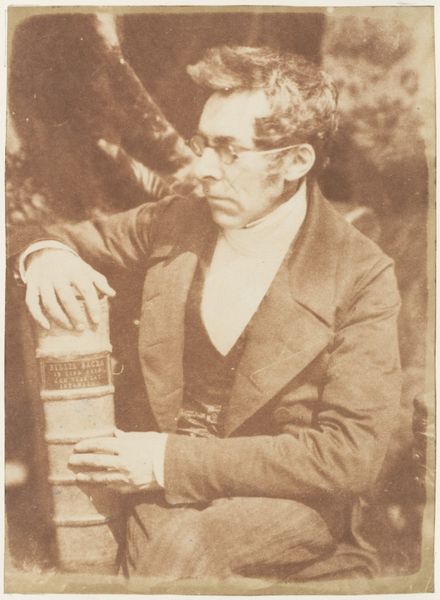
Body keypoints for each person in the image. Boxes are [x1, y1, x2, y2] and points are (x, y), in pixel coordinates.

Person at [20, 46, 401, 581]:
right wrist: (46, 257)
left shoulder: (359, 273)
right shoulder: (175, 223)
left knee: (179, 551)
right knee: (155, 551)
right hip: (159, 491)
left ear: (295, 162)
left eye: (228, 151)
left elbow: (348, 456)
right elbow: (47, 235)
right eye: (203, 144)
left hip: (287, 500)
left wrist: (166, 461)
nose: (202, 169)